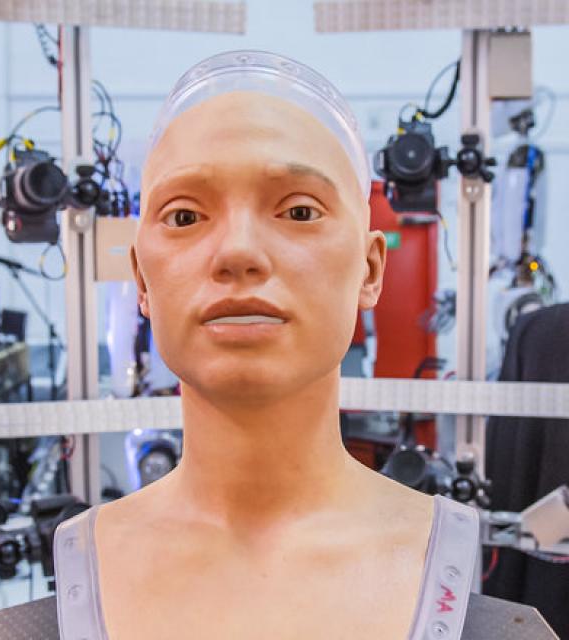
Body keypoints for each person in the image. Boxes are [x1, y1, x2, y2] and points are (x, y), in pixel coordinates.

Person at [54, 50, 478, 640]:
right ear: (142, 281)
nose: (238, 252)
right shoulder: (69, 576)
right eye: (184, 217)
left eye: (299, 211)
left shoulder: (453, 568)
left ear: (369, 269)